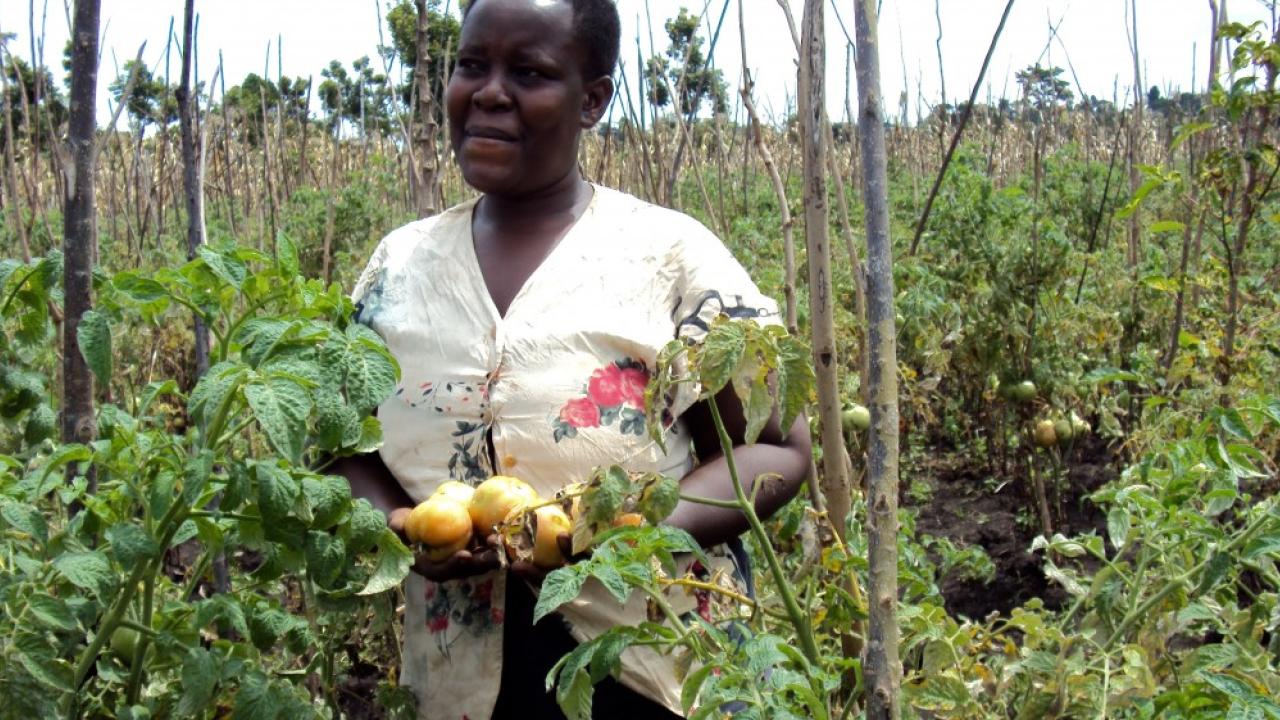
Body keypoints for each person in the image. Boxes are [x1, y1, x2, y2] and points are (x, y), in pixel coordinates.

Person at [333, 0, 811, 717]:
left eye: (529, 72)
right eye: (472, 65)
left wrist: (617, 531)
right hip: (457, 679)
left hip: (658, 663)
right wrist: (402, 528)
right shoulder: (396, 267)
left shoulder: (669, 256)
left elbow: (775, 452)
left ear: (592, 100)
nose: (490, 92)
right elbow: (341, 448)